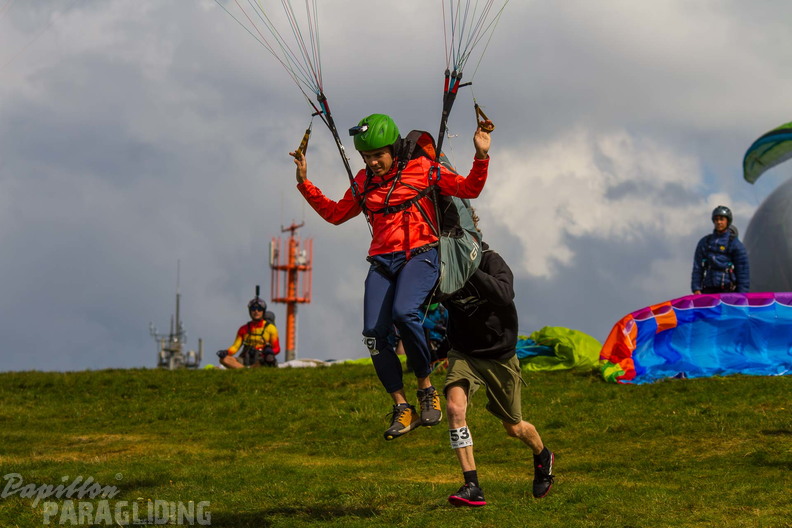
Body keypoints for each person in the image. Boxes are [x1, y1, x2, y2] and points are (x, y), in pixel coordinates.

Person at [291, 113, 492, 440]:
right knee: (373, 333)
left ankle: (426, 389)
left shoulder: (423, 170)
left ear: (394, 149)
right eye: (367, 157)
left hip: (422, 255)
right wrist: (304, 182)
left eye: (378, 155)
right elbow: (335, 214)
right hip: (383, 262)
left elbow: (470, 188)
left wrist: (481, 155)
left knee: (405, 313)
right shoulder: (363, 181)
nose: (373, 163)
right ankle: (402, 406)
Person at [443, 239, 554, 507]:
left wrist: (468, 269)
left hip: (500, 357)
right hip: (464, 355)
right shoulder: (440, 267)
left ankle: (543, 456)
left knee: (514, 427)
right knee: (455, 409)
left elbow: (504, 294)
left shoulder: (491, 261)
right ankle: (472, 485)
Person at [691, 205, 750, 294]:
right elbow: (698, 267)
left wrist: (742, 295)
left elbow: (743, 271)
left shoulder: (735, 245)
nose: (719, 222)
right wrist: (696, 288)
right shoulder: (705, 242)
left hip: (728, 291)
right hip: (708, 289)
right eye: (716, 219)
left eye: (722, 219)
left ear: (727, 221)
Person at [217, 296, 281, 368]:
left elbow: (277, 348)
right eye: (253, 309)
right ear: (250, 311)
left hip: (261, 359)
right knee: (223, 359)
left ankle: (244, 370)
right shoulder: (243, 329)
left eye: (259, 309)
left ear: (263, 312)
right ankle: (244, 370)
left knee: (268, 361)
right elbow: (235, 347)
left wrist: (269, 354)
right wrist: (226, 352)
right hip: (245, 359)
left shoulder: (271, 328)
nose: (256, 311)